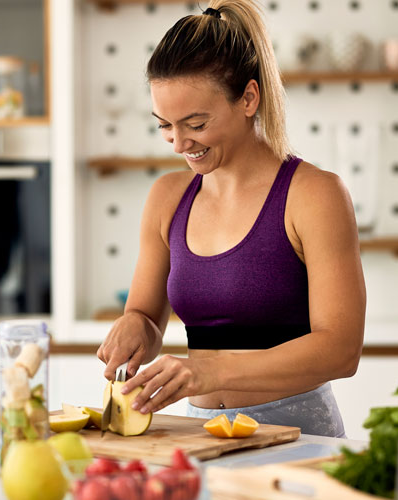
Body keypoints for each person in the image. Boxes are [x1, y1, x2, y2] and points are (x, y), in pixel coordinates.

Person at [96, 0, 366, 437]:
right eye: (164, 124)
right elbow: (147, 319)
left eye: (196, 123)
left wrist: (210, 372)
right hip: (198, 436)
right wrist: (134, 327)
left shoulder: (314, 194)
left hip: (300, 438)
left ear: (249, 98)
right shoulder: (168, 197)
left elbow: (341, 350)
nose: (179, 143)